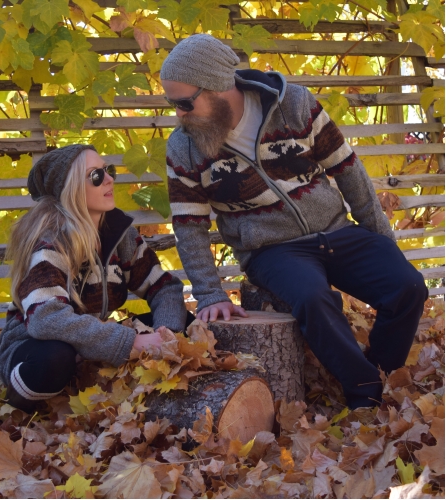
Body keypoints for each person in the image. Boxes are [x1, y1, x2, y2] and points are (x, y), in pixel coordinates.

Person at [160, 34, 428, 409]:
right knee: (313, 299)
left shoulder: (296, 105)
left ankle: (381, 373)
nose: (179, 114)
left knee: (409, 287)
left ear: (218, 85)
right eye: (172, 104)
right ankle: (365, 393)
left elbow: (348, 170)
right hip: (271, 250)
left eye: (185, 103)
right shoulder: (184, 147)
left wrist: (381, 238)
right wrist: (209, 294)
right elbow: (189, 225)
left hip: (336, 230)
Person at [0, 144, 189, 413]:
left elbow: (163, 287)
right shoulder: (51, 244)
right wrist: (132, 342)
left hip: (89, 341)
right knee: (55, 358)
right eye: (96, 176)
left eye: (108, 170)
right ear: (71, 189)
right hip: (32, 346)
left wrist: (165, 335)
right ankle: (20, 407)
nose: (109, 179)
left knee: (186, 321)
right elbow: (46, 320)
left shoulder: (121, 237)